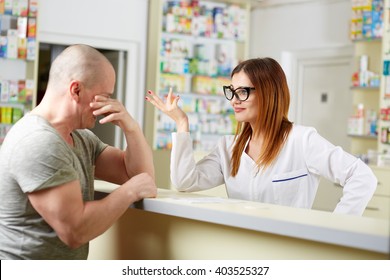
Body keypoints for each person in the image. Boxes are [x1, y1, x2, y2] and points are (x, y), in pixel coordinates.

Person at [146, 57, 377, 216]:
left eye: (243, 92)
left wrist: (336, 226)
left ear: (269, 93)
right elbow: (185, 182)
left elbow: (363, 177)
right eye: (232, 91)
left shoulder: (302, 140)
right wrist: (181, 122)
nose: (234, 100)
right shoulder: (229, 147)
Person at [0, 44, 157, 259]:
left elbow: (139, 175)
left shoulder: (81, 138)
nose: (111, 104)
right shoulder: (38, 141)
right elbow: (75, 231)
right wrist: (129, 191)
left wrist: (132, 128)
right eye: (105, 95)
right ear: (76, 90)